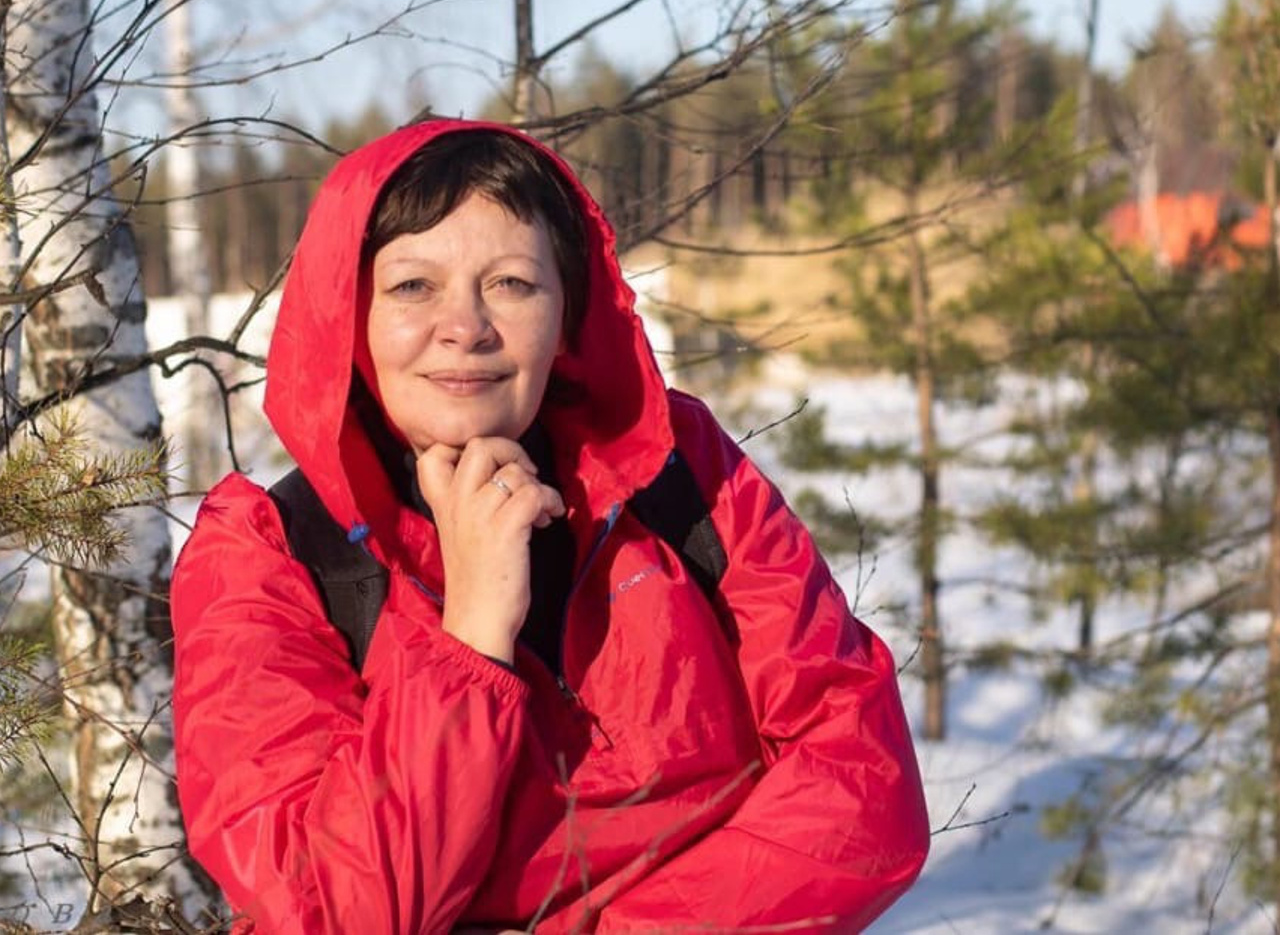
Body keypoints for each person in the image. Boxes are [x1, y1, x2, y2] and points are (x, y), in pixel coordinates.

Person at [171, 119, 929, 934]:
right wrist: (470, 635)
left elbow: (862, 788)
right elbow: (327, 912)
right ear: (347, 315)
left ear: (569, 312)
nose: (466, 327)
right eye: (413, 287)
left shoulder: (678, 472)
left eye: (512, 284)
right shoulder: (271, 555)